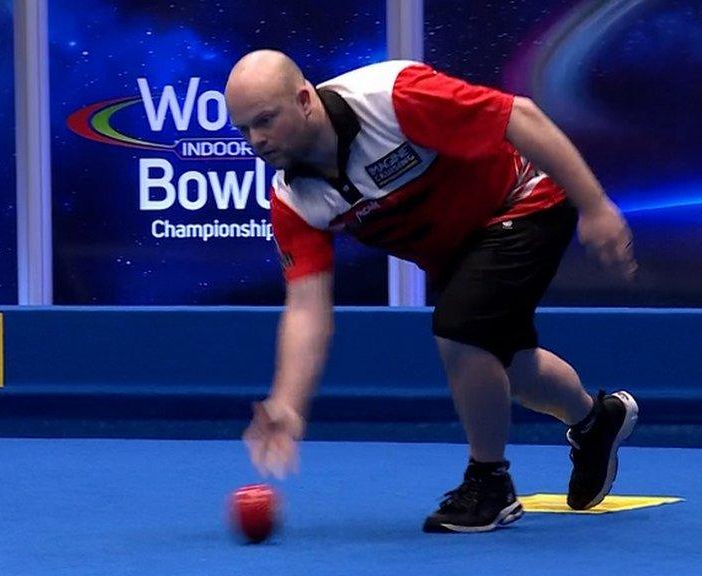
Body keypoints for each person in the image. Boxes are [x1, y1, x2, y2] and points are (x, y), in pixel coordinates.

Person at [224, 50, 640, 533]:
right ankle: (595, 420)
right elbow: (306, 308)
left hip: (526, 199)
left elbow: (519, 115)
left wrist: (595, 205)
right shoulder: (295, 199)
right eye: (244, 130)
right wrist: (288, 404)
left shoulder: (392, 98)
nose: (256, 140)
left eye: (265, 121)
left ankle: (489, 483)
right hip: (461, 249)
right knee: (506, 364)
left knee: (461, 331)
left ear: (303, 100)